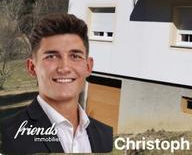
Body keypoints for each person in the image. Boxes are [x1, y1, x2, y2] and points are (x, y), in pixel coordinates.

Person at [0, 14, 113, 153]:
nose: (64, 68)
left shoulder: (107, 136)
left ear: (88, 67)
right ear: (32, 67)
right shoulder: (6, 136)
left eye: (75, 56)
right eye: (51, 56)